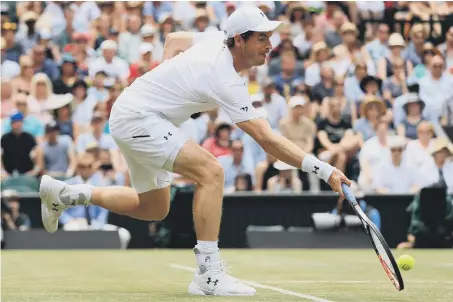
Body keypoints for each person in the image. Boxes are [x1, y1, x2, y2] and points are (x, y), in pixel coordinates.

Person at [39, 6, 350, 296]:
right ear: (239, 40)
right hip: (139, 118)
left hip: (137, 113)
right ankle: (208, 274)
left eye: (269, 37)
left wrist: (163, 82)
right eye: (261, 38)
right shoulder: (223, 77)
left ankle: (66, 194)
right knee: (212, 172)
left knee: (153, 209)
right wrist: (325, 170)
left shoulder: (216, 38)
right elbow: (267, 140)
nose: (269, 44)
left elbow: (174, 40)